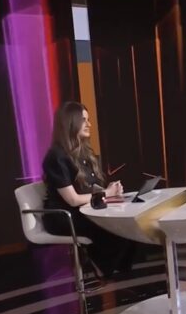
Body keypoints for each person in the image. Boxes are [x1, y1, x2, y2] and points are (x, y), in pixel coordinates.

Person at [42, 101, 135, 279]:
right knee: (112, 228)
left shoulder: (82, 153)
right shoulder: (56, 157)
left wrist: (111, 191)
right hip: (63, 216)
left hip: (84, 210)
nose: (89, 124)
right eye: (84, 120)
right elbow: (72, 200)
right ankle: (105, 269)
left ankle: (116, 271)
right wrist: (106, 193)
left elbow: (91, 188)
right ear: (71, 122)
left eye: (88, 120)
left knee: (126, 226)